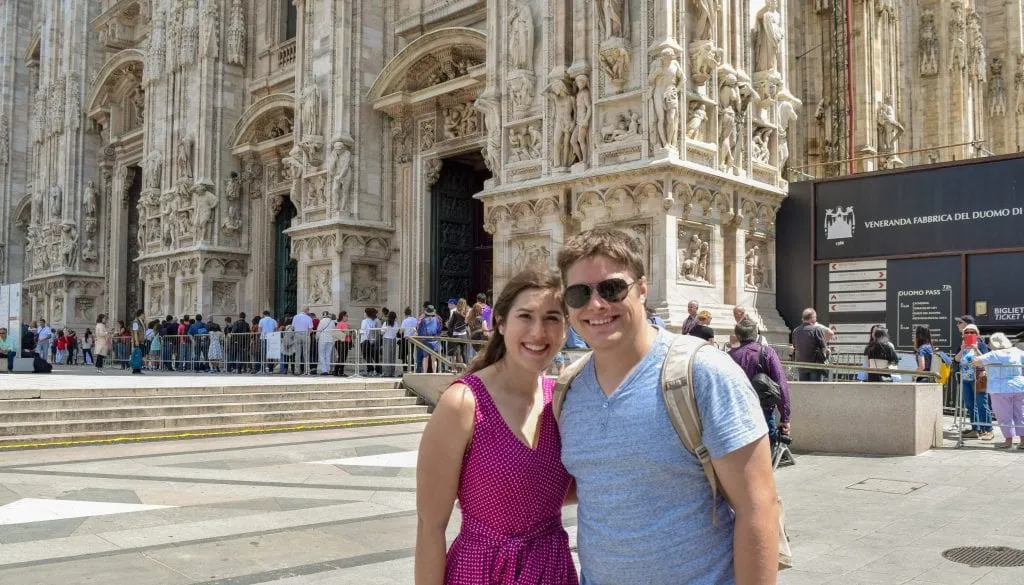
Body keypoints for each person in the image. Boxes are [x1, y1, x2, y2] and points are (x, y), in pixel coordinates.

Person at [555, 229, 778, 585]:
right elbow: (597, 482)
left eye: (612, 288)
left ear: (643, 289)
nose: (596, 305)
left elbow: (759, 508)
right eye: (579, 293)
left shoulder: (704, 374)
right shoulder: (569, 389)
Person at [415, 267, 576, 585]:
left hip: (552, 570)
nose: (538, 332)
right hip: (483, 572)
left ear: (567, 327)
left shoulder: (560, 401)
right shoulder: (463, 403)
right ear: (500, 323)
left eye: (552, 318)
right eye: (525, 316)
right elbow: (430, 526)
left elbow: (548, 488)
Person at [729, 317, 791, 448]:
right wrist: (785, 417)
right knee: (766, 452)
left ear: (738, 336)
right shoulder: (766, 352)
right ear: (756, 334)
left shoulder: (729, 356)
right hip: (764, 408)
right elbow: (781, 384)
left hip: (738, 412)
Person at [974, 332, 1024, 449]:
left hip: (999, 388)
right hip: (1019, 387)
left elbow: (976, 361)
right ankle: (1023, 441)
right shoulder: (1017, 351)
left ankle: (1008, 441)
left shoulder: (994, 354)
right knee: (1021, 414)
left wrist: (977, 352)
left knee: (1004, 416)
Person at [955, 324, 993, 440]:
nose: (969, 334)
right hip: (966, 379)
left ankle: (988, 430)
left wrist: (976, 349)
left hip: (979, 378)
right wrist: (962, 350)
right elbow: (956, 359)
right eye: (967, 332)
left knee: (982, 404)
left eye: (972, 332)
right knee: (970, 405)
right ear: (963, 335)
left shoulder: (981, 344)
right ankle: (976, 429)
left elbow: (986, 359)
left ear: (977, 334)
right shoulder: (963, 345)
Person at [792, 308, 828, 381]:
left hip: (801, 366)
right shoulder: (817, 330)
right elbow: (824, 347)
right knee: (815, 389)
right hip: (815, 366)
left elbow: (795, 346)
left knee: (804, 389)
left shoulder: (796, 331)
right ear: (812, 318)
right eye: (815, 317)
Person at [417, 306, 444, 373]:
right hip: (434, 340)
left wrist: (421, 337)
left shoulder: (423, 320)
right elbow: (439, 329)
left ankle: (425, 373)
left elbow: (420, 330)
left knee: (425, 357)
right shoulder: (437, 319)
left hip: (425, 340)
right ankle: (434, 372)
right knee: (434, 358)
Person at [291, 307, 313, 375]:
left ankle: (297, 370)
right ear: (307, 310)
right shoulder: (309, 318)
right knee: (306, 353)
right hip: (305, 335)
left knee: (297, 354)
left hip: (297, 335)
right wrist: (308, 335)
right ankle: (306, 370)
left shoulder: (295, 317)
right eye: (308, 310)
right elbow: (310, 329)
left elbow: (293, 327)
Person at [359, 308, 380, 376]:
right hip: (372, 340)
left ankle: (370, 369)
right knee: (371, 356)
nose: (364, 314)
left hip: (365, 340)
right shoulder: (373, 321)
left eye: (364, 313)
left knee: (366, 356)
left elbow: (363, 331)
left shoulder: (364, 321)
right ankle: (373, 369)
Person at [382, 311, 399, 377]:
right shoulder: (396, 323)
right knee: (392, 356)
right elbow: (397, 331)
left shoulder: (385, 323)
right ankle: (392, 372)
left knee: (386, 357)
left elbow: (382, 332)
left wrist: (386, 330)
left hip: (386, 339)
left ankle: (386, 372)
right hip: (393, 339)